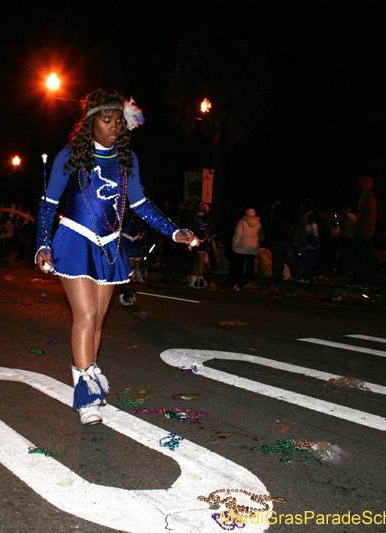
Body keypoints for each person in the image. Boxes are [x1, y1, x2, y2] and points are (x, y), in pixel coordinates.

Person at [35, 88, 195, 425]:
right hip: (75, 240)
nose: (113, 127)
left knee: (98, 319)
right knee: (87, 315)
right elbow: (49, 205)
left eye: (118, 122)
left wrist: (174, 231)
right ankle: (84, 395)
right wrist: (42, 244)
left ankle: (91, 375)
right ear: (91, 122)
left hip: (110, 245)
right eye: (107, 120)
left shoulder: (127, 160)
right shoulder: (70, 156)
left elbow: (139, 205)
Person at [349, 176, 376, 288]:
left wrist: (362, 230)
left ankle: (368, 281)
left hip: (364, 233)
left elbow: (368, 218)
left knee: (365, 258)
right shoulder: (364, 197)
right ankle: (358, 280)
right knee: (359, 258)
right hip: (362, 232)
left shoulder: (369, 198)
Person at [231, 208, 265, 290]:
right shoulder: (258, 223)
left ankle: (239, 281)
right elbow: (261, 235)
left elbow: (237, 234)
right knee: (250, 265)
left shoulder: (242, 222)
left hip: (242, 247)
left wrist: (234, 244)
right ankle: (247, 281)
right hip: (253, 247)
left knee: (240, 265)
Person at [187, 200, 214, 289]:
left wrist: (216, 239)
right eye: (201, 204)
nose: (202, 206)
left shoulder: (207, 217)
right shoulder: (193, 217)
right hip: (195, 240)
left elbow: (210, 229)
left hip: (205, 240)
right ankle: (200, 279)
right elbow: (189, 228)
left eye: (204, 204)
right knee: (201, 259)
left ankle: (194, 279)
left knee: (198, 260)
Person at [293, 200, 318, 283]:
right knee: (305, 260)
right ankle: (305, 277)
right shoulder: (304, 217)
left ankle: (309, 277)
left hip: (309, 241)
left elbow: (314, 229)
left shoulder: (309, 217)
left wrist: (315, 239)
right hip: (305, 241)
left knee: (309, 260)